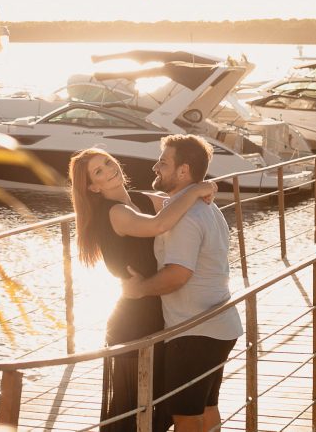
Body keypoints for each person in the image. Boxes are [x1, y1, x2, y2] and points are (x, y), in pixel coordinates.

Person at [69, 147, 217, 432]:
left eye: (109, 161)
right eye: (99, 171)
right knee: (133, 413)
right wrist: (200, 188)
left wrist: (202, 189)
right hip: (133, 322)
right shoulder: (115, 212)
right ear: (92, 186)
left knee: (156, 411)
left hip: (155, 313)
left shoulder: (137, 199)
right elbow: (160, 224)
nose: (110, 169)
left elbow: (174, 203)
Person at [123, 134, 243, 432]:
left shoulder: (186, 216)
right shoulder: (207, 206)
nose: (155, 167)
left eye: (163, 162)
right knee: (206, 407)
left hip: (195, 331)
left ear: (183, 171)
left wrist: (139, 289)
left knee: (185, 416)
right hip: (219, 323)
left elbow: (178, 274)